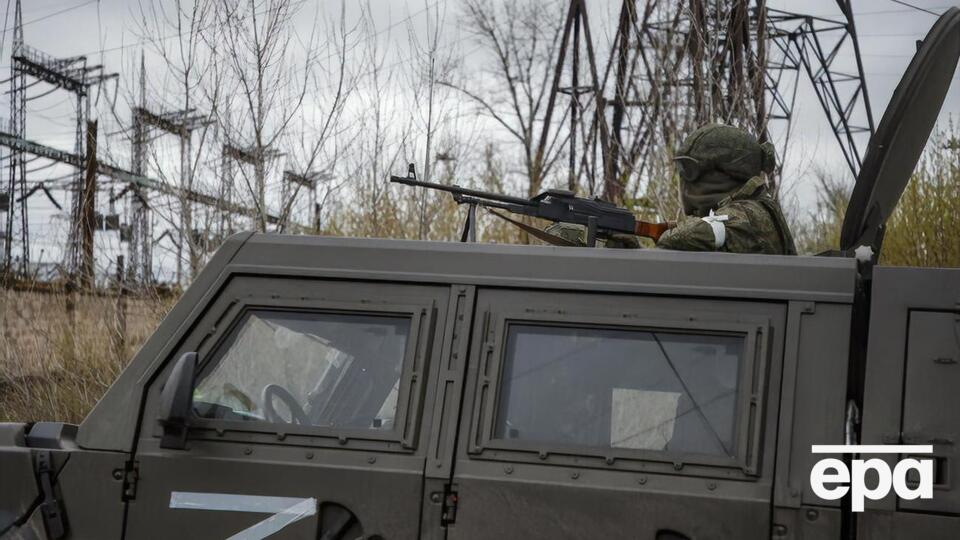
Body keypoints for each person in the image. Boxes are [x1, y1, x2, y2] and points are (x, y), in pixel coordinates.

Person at [547, 123, 797, 255]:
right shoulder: (751, 209)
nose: (684, 181)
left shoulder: (750, 215)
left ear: (722, 172)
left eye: (689, 170)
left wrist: (657, 236)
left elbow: (695, 234)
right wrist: (638, 255)